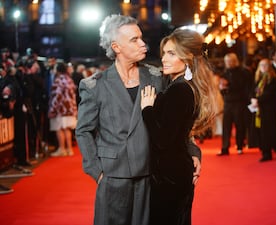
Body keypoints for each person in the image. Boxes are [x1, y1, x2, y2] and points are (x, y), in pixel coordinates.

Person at [75, 14, 201, 225]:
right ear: (116, 47)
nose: (143, 44)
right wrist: (96, 172)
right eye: (134, 40)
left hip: (150, 176)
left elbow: (175, 123)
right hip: (113, 178)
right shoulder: (95, 86)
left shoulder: (156, 77)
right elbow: (83, 131)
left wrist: (193, 151)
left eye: (141, 38)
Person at [140, 28, 218, 225]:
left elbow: (162, 139)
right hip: (174, 172)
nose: (164, 59)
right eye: (164, 53)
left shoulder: (179, 90)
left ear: (188, 57)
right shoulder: (182, 86)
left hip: (170, 176)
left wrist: (147, 109)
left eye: (171, 53)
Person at [217, 53, 253, 155]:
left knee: (239, 125)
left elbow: (243, 87)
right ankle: (225, 148)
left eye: (230, 61)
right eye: (227, 61)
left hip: (239, 102)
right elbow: (222, 89)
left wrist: (228, 87)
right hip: (228, 102)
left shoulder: (242, 72)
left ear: (235, 61)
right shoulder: (225, 73)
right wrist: (222, 89)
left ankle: (239, 146)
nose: (228, 63)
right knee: (226, 126)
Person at [249, 58, 276, 162]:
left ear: (269, 67)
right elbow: (253, 91)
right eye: (261, 65)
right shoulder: (258, 79)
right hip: (259, 110)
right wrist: (253, 99)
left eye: (265, 65)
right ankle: (265, 152)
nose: (263, 67)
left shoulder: (273, 79)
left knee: (271, 131)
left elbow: (271, 93)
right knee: (261, 131)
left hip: (269, 110)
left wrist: (258, 100)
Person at [48, 62, 77, 157]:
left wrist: (52, 109)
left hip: (61, 109)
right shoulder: (69, 79)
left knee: (59, 128)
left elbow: (57, 96)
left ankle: (62, 149)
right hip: (69, 109)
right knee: (67, 129)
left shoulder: (58, 80)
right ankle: (69, 149)